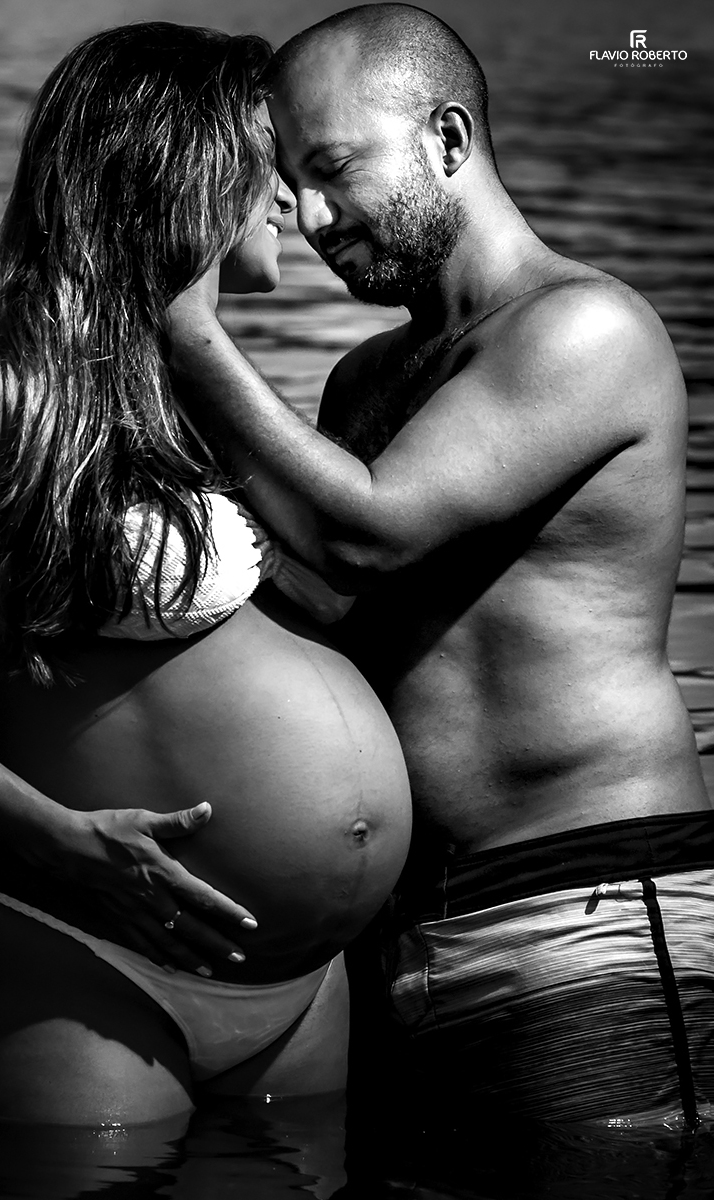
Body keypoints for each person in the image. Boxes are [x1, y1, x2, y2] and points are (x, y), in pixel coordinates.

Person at [165, 4, 714, 1128]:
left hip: (582, 914)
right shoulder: (364, 382)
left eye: (334, 169)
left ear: (448, 142)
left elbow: (370, 532)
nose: (311, 217)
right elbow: (324, 595)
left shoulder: (586, 329)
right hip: (399, 934)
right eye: (291, 184)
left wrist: (181, 326)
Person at [0, 22, 411, 1129]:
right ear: (171, 166)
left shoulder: (207, 401)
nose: (290, 197)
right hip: (91, 966)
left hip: (300, 988)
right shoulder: (3, 396)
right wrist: (58, 839)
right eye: (263, 161)